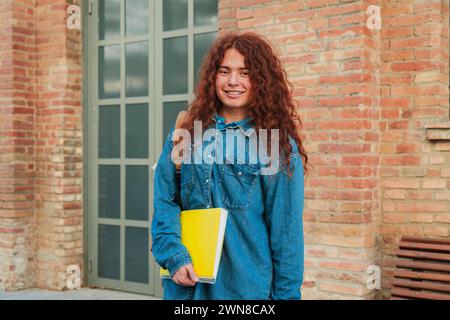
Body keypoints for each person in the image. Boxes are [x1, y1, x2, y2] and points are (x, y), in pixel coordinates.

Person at [151, 32, 308, 300]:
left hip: (246, 293)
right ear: (213, 77)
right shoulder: (186, 133)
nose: (233, 81)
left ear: (261, 80)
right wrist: (173, 256)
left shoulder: (277, 147)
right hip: (186, 292)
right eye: (224, 71)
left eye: (245, 73)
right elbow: (165, 202)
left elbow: (287, 236)